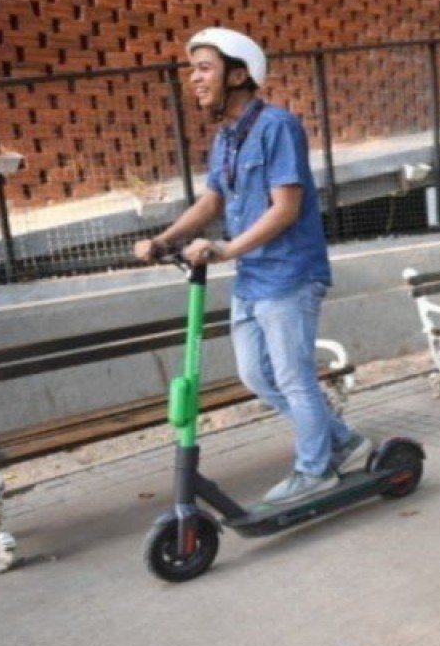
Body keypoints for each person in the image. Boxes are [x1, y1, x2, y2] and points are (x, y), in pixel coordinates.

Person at [133, 28, 366, 505]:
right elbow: (212, 200)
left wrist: (226, 250)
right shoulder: (225, 138)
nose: (194, 79)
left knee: (293, 377)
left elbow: (286, 208)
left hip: (289, 273)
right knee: (257, 376)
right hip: (253, 277)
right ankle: (341, 441)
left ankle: (315, 469)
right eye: (193, 70)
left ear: (238, 75)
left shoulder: (278, 126)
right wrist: (164, 240)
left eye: (205, 68)